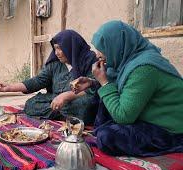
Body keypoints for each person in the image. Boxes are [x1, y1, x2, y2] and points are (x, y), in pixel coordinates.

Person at [72, 20, 183, 156]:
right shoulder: (129, 62)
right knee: (104, 104)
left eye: (103, 48)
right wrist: (92, 82)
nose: (98, 54)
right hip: (149, 119)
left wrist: (104, 82)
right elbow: (119, 84)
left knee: (107, 137)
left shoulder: (144, 68)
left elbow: (124, 116)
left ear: (118, 45)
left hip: (172, 130)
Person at [0, 30, 99, 124]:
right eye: (55, 48)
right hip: (55, 99)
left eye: (60, 48)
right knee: (31, 104)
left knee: (86, 106)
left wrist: (66, 96)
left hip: (78, 99)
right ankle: (66, 116)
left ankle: (63, 114)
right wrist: (9, 87)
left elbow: (94, 87)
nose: (56, 53)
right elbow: (38, 81)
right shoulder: (55, 64)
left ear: (70, 47)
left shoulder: (88, 60)